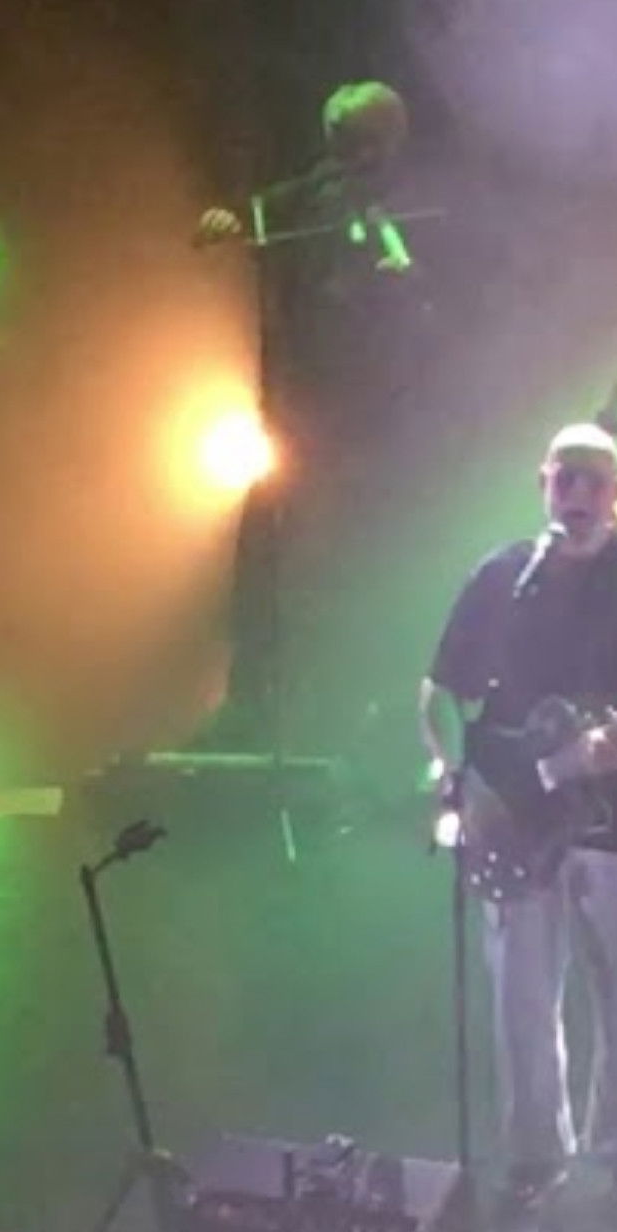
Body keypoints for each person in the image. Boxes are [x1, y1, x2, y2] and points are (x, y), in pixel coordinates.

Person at [421, 424, 617, 1217]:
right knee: (522, 994)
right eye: (565, 481)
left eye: (595, 483)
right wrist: (457, 779)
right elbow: (442, 692)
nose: (578, 497)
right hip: (515, 816)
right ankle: (533, 1159)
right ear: (542, 485)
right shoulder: (503, 576)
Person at [194, 81, 422, 752]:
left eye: (369, 141)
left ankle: (356, 708)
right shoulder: (316, 194)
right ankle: (251, 700)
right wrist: (229, 220)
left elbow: (445, 308)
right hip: (297, 409)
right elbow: (252, 214)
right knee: (266, 548)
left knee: (354, 561)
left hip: (373, 423)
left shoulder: (409, 202)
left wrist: (402, 290)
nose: (356, 156)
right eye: (345, 142)